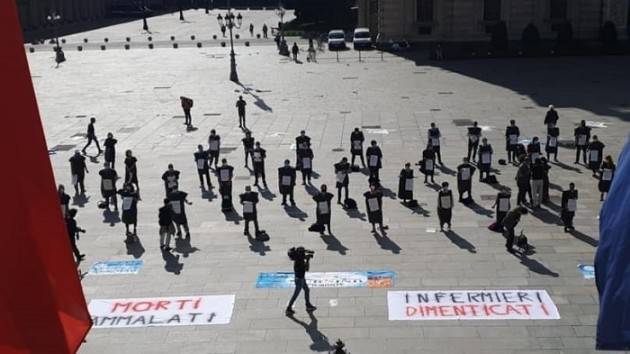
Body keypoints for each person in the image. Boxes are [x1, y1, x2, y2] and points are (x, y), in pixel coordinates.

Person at [286, 246, 317, 315]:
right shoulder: (300, 262)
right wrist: (308, 260)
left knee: (307, 290)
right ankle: (288, 308)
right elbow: (307, 269)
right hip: (299, 280)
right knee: (295, 295)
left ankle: (308, 305)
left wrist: (306, 256)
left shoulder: (298, 259)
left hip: (301, 279)